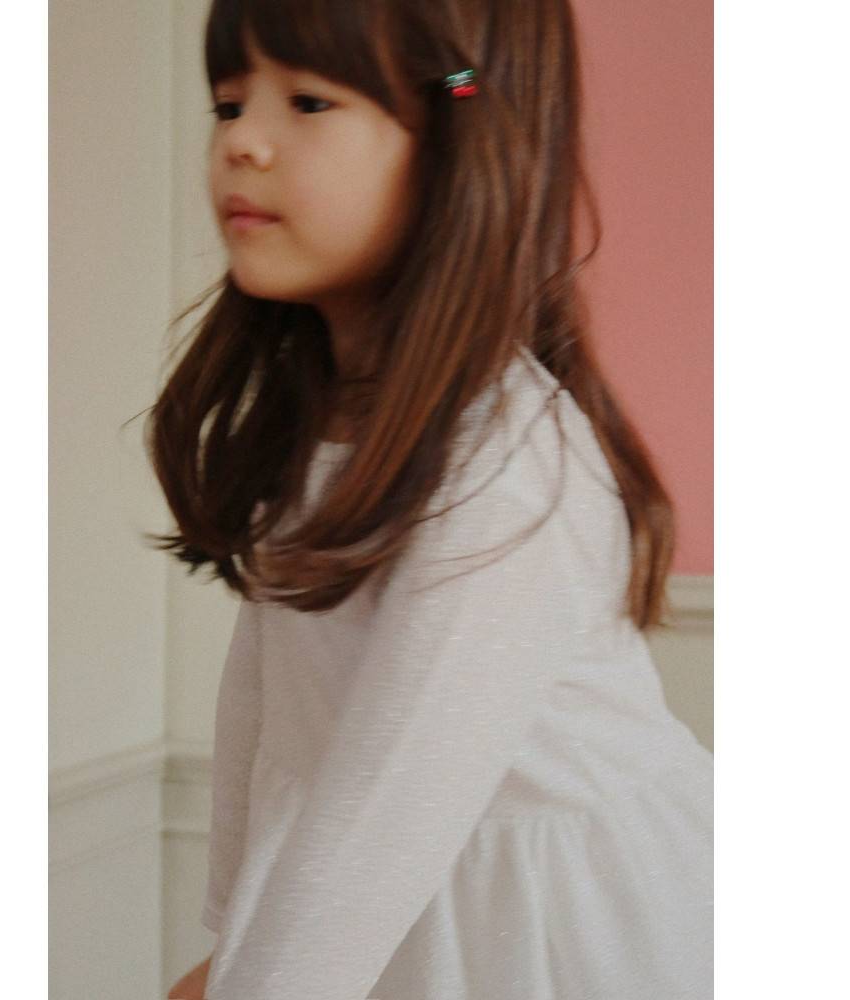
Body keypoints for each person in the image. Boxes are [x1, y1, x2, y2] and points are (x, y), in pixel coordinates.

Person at [153, 0, 713, 997]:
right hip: (384, 891)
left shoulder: (504, 465)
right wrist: (228, 938)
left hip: (551, 927)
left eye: (309, 102)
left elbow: (387, 809)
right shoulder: (324, 412)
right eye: (229, 104)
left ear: (459, 139)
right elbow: (262, 707)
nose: (242, 143)